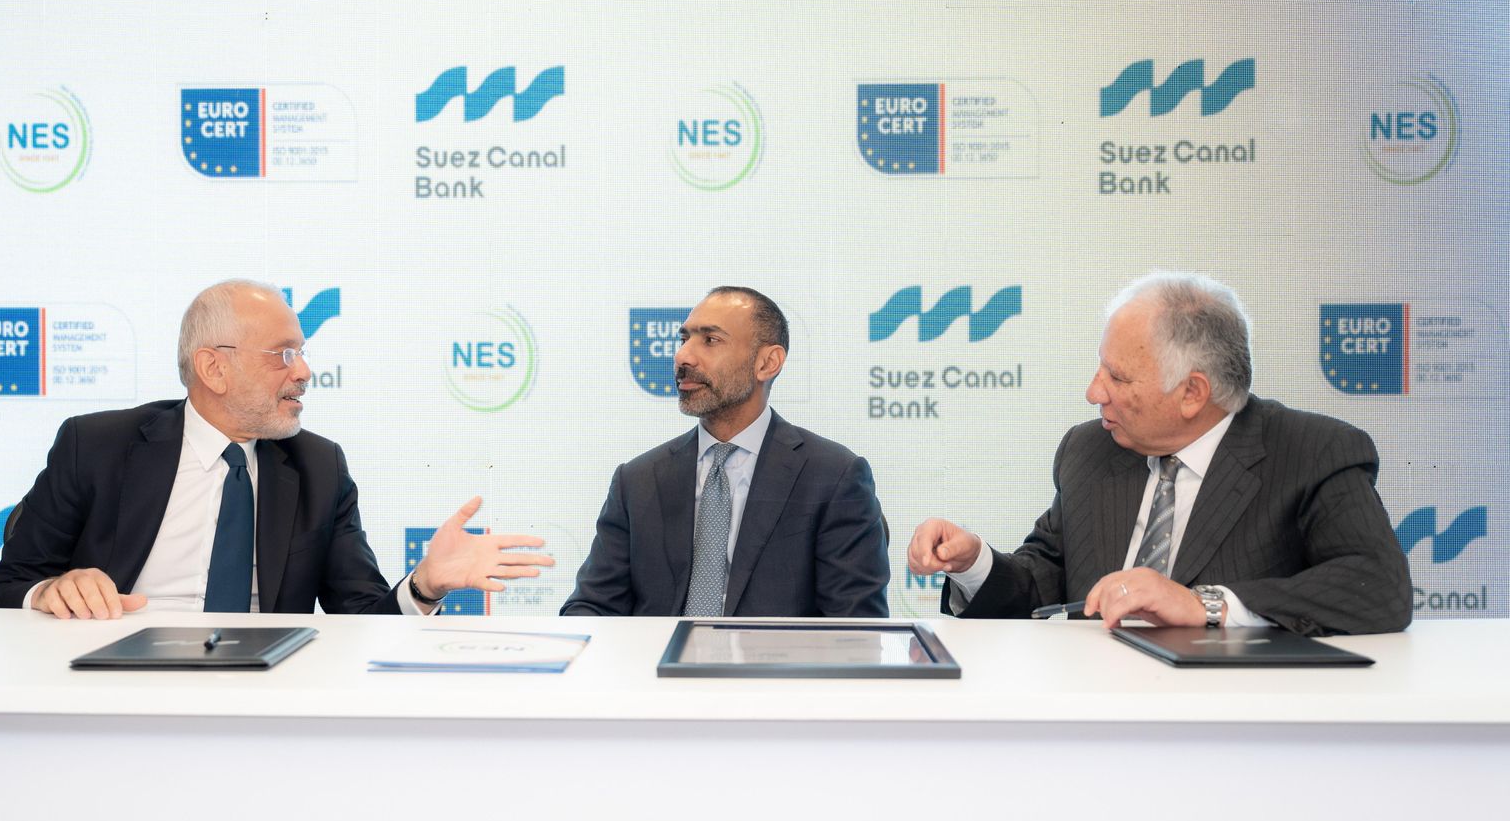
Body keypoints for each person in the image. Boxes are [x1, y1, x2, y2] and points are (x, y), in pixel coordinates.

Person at [0, 279, 552, 619]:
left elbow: (362, 618)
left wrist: (425, 585)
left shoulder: (319, 468)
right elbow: (5, 591)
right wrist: (49, 592)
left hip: (265, 694)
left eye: (301, 353)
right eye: (283, 355)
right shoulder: (97, 446)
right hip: (117, 681)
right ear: (214, 368)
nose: (303, 371)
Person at [908, 272, 1411, 636]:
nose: (1093, 392)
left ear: (1192, 392)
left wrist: (1205, 605)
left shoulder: (1312, 451)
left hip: (1236, 719)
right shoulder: (1089, 449)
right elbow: (1045, 586)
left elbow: (1377, 586)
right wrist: (974, 563)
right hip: (1095, 708)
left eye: (1117, 377)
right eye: (1100, 368)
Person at [563, 287, 889, 617]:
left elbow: (856, 628)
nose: (683, 356)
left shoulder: (833, 477)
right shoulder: (637, 480)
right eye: (684, 339)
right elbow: (592, 607)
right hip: (655, 652)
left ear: (768, 363)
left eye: (710, 340)